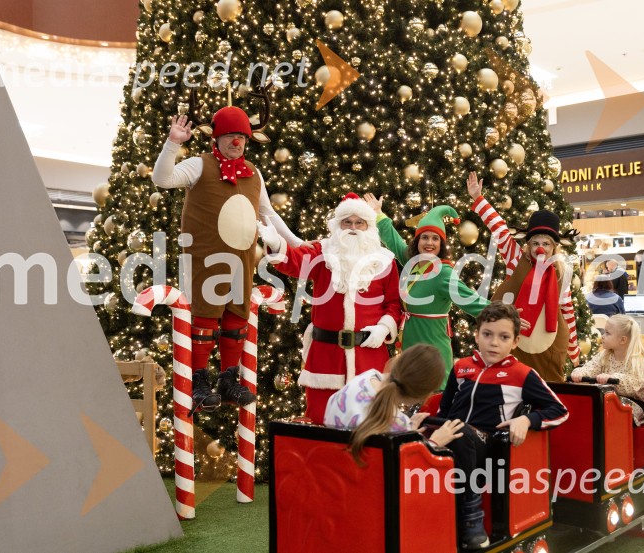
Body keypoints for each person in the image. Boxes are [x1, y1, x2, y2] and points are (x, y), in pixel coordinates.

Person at [152, 111, 303, 413]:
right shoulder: (199, 165)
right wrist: (172, 143)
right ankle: (198, 380)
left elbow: (268, 214)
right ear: (216, 138)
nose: (237, 142)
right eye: (231, 136)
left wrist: (298, 243)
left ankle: (228, 378)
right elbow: (162, 178)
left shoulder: (253, 172)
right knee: (204, 319)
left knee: (237, 319)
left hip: (242, 260)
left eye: (243, 137)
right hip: (203, 260)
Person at [258, 193, 403, 424]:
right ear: (338, 225)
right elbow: (295, 262)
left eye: (359, 223)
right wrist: (277, 244)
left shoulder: (385, 261)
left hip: (369, 358)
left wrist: (383, 329)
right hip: (326, 359)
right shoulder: (322, 252)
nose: (353, 228)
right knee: (321, 423)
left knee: (370, 428)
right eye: (347, 222)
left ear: (368, 227)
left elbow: (394, 304)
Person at [438, 302, 569, 549]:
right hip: (451, 438)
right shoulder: (460, 367)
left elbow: (560, 411)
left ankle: (471, 516)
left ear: (515, 342)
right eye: (487, 335)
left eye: (504, 337)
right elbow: (444, 410)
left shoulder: (522, 374)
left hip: (489, 448)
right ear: (476, 336)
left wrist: (526, 419)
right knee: (441, 430)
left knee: (460, 432)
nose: (494, 343)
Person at [363, 194, 490, 387]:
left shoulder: (443, 273)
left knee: (432, 396)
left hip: (432, 348)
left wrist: (507, 315)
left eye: (435, 239)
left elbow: (472, 301)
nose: (429, 243)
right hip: (409, 348)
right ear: (417, 241)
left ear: (441, 244)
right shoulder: (413, 264)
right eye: (424, 237)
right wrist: (378, 213)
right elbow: (394, 241)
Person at [467, 172, 580, 382]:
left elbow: (567, 308)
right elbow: (499, 228)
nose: (540, 248)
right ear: (528, 245)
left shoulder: (561, 270)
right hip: (516, 340)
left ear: (553, 247)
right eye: (536, 243)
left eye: (546, 244)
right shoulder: (516, 257)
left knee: (548, 388)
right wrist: (478, 198)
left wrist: (574, 350)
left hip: (549, 344)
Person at [324, 344, 464, 463]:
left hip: (326, 477)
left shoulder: (362, 379)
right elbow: (409, 473)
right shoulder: (399, 426)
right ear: (422, 396)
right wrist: (433, 444)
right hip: (363, 489)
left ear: (398, 361)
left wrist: (409, 433)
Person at [571, 314, 644, 425]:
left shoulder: (636, 360)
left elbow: (634, 384)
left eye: (607, 333)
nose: (602, 336)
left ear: (622, 340)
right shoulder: (604, 355)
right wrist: (580, 373)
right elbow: (591, 367)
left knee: (609, 410)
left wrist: (613, 378)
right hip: (607, 400)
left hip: (632, 403)